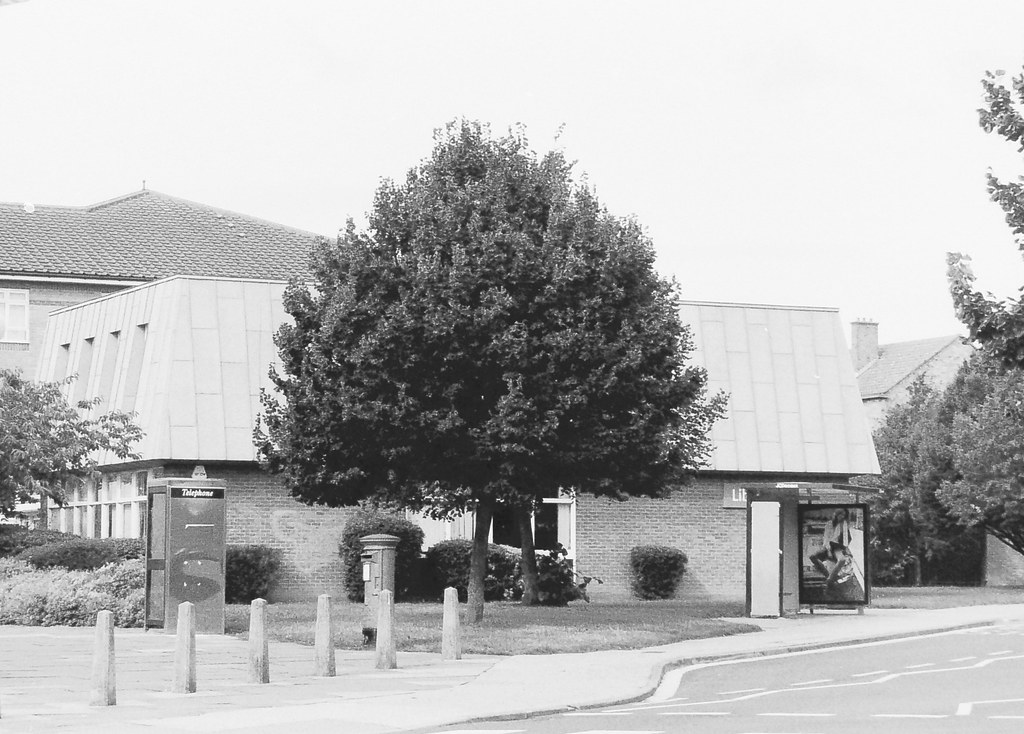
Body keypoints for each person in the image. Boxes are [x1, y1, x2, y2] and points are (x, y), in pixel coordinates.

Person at [809, 508, 852, 589]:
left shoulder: (844, 524)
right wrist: (828, 549)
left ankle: (830, 579)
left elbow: (845, 539)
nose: (841, 517)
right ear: (836, 514)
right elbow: (826, 538)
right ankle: (829, 576)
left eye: (843, 515)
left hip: (837, 546)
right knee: (812, 557)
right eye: (840, 514)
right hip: (829, 546)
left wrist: (845, 549)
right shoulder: (829, 524)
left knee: (842, 560)